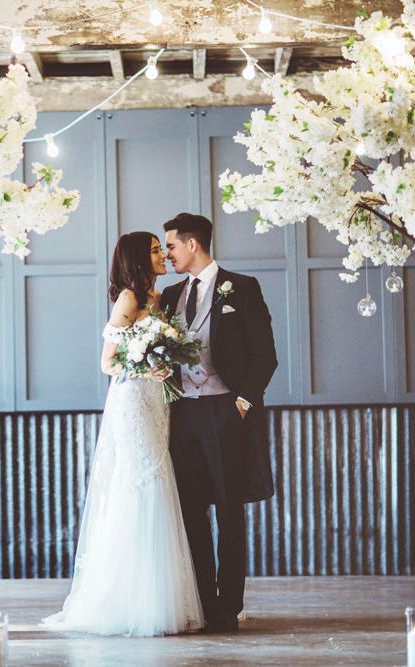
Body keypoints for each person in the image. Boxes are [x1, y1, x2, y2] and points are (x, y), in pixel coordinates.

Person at [42, 231, 204, 637]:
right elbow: (107, 362)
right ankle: (131, 601)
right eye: (155, 251)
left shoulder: (157, 299)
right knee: (141, 481)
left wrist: (163, 366)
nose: (163, 256)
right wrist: (145, 368)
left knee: (160, 480)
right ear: (137, 258)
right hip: (132, 402)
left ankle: (165, 597)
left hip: (157, 402)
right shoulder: (128, 299)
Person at [161, 212, 277, 633]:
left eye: (171, 245)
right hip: (183, 415)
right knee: (190, 511)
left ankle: (228, 608)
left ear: (193, 244)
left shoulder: (241, 288)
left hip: (226, 412)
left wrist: (243, 402)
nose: (168, 253)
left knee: (230, 511)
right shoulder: (170, 294)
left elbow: (265, 354)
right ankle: (203, 605)